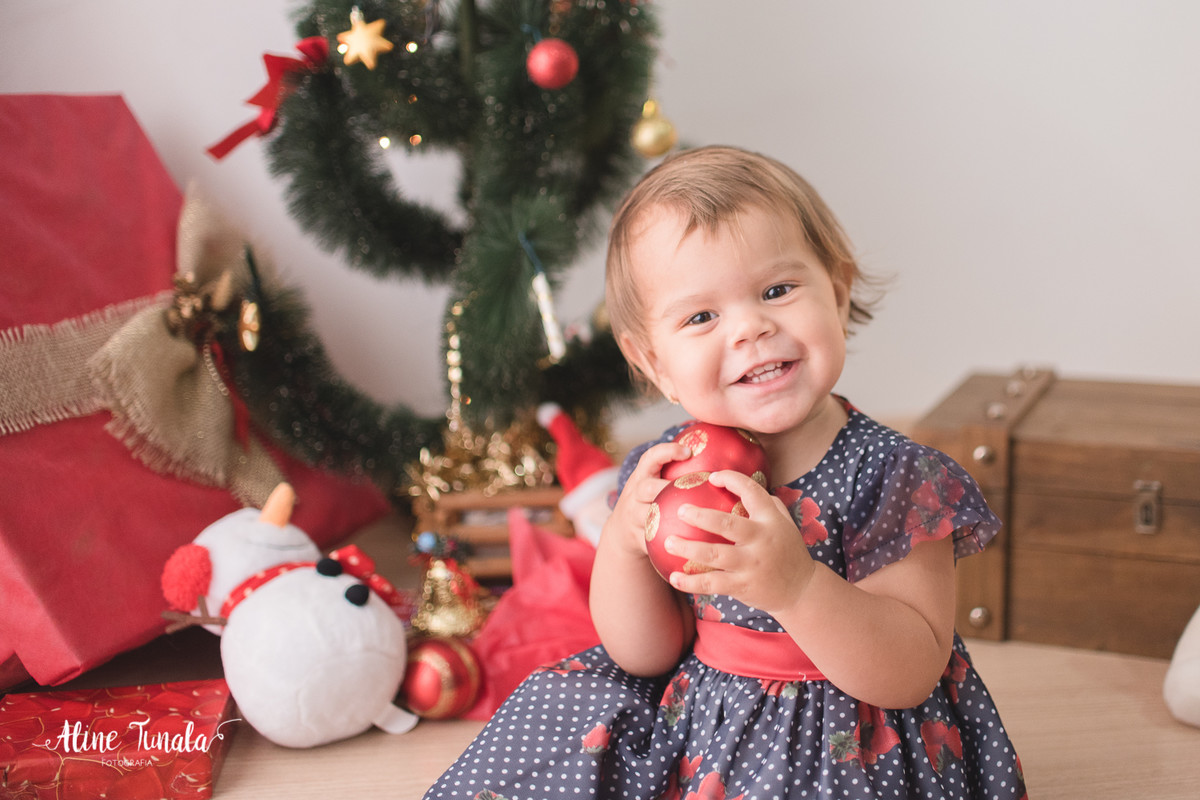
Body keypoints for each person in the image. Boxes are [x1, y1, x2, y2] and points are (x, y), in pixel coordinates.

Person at [424, 146, 1027, 799]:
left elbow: (911, 668)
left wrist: (796, 588)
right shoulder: (667, 471)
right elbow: (646, 653)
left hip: (852, 743)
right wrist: (625, 548)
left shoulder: (898, 478)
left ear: (839, 289)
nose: (750, 329)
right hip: (709, 728)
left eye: (777, 290)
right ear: (652, 360)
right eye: (701, 317)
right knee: (560, 727)